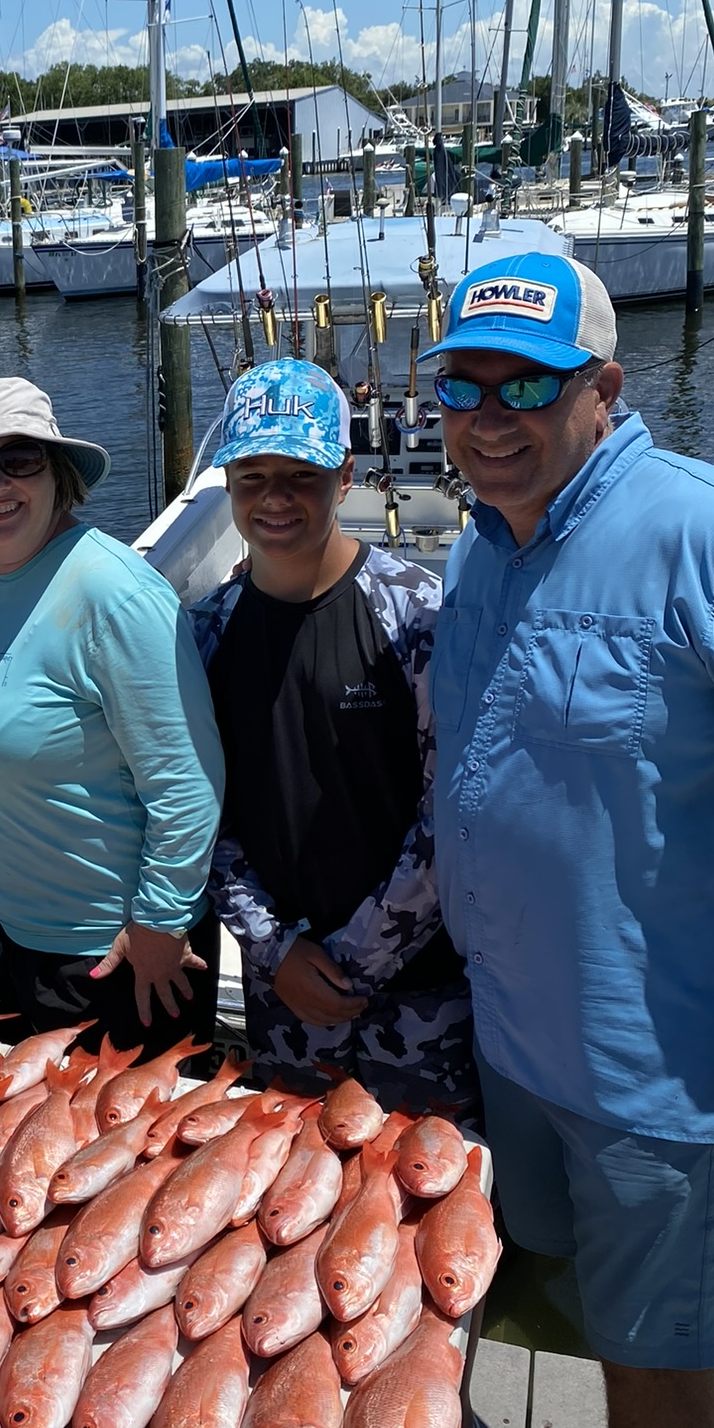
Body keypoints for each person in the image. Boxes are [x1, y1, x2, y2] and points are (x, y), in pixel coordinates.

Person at [424, 251, 714, 1428]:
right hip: (516, 1042)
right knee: (572, 1302)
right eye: (465, 384)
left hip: (662, 1071)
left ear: (605, 388)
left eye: (530, 385)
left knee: (661, 1344)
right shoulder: (476, 540)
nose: (491, 414)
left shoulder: (710, 535)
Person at [189, 358, 475, 1118]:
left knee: (421, 1202)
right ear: (226, 484)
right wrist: (274, 949)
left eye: (301, 474)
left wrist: (356, 960)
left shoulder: (418, 616)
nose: (275, 498)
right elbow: (198, 812)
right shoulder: (205, 635)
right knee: (286, 1202)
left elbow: (451, 811)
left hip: (420, 993)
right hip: (281, 992)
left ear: (345, 476)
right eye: (252, 475)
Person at [0, 377, 223, 1057]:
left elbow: (187, 780)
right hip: (21, 938)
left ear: (57, 472)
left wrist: (161, 924)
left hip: (116, 959)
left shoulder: (114, 592)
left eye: (19, 459)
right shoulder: (2, 577)